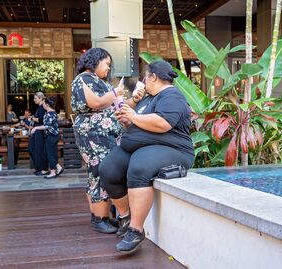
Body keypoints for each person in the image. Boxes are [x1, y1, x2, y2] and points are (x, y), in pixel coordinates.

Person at [99, 60, 195, 254]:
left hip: (173, 148)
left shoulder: (172, 95)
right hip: (138, 145)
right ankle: (125, 217)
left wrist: (133, 117)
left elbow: (163, 123)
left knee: (140, 166)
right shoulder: (148, 98)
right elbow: (138, 124)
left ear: (153, 77)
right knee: (108, 169)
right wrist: (128, 120)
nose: (143, 81)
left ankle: (136, 229)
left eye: (145, 77)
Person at [71, 47, 144, 234]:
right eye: (107, 64)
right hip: (93, 135)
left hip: (105, 135)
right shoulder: (82, 79)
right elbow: (95, 103)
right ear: (95, 61)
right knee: (99, 172)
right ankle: (99, 219)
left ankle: (102, 217)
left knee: (102, 172)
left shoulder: (100, 82)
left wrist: (134, 100)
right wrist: (116, 92)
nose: (108, 69)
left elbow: (119, 106)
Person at [31, 97, 64, 179]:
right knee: (49, 153)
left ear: (47, 104)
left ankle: (53, 172)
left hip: (52, 136)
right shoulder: (49, 113)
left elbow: (47, 126)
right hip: (51, 136)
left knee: (49, 153)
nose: (43, 105)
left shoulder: (50, 113)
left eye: (44, 104)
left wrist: (36, 128)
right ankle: (58, 168)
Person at [29, 92, 48, 176]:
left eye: (35, 98)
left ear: (40, 98)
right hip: (37, 131)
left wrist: (32, 118)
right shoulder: (40, 107)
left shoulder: (42, 107)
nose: (34, 100)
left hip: (40, 131)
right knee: (32, 149)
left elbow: (41, 120)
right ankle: (39, 168)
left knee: (39, 150)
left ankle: (43, 169)